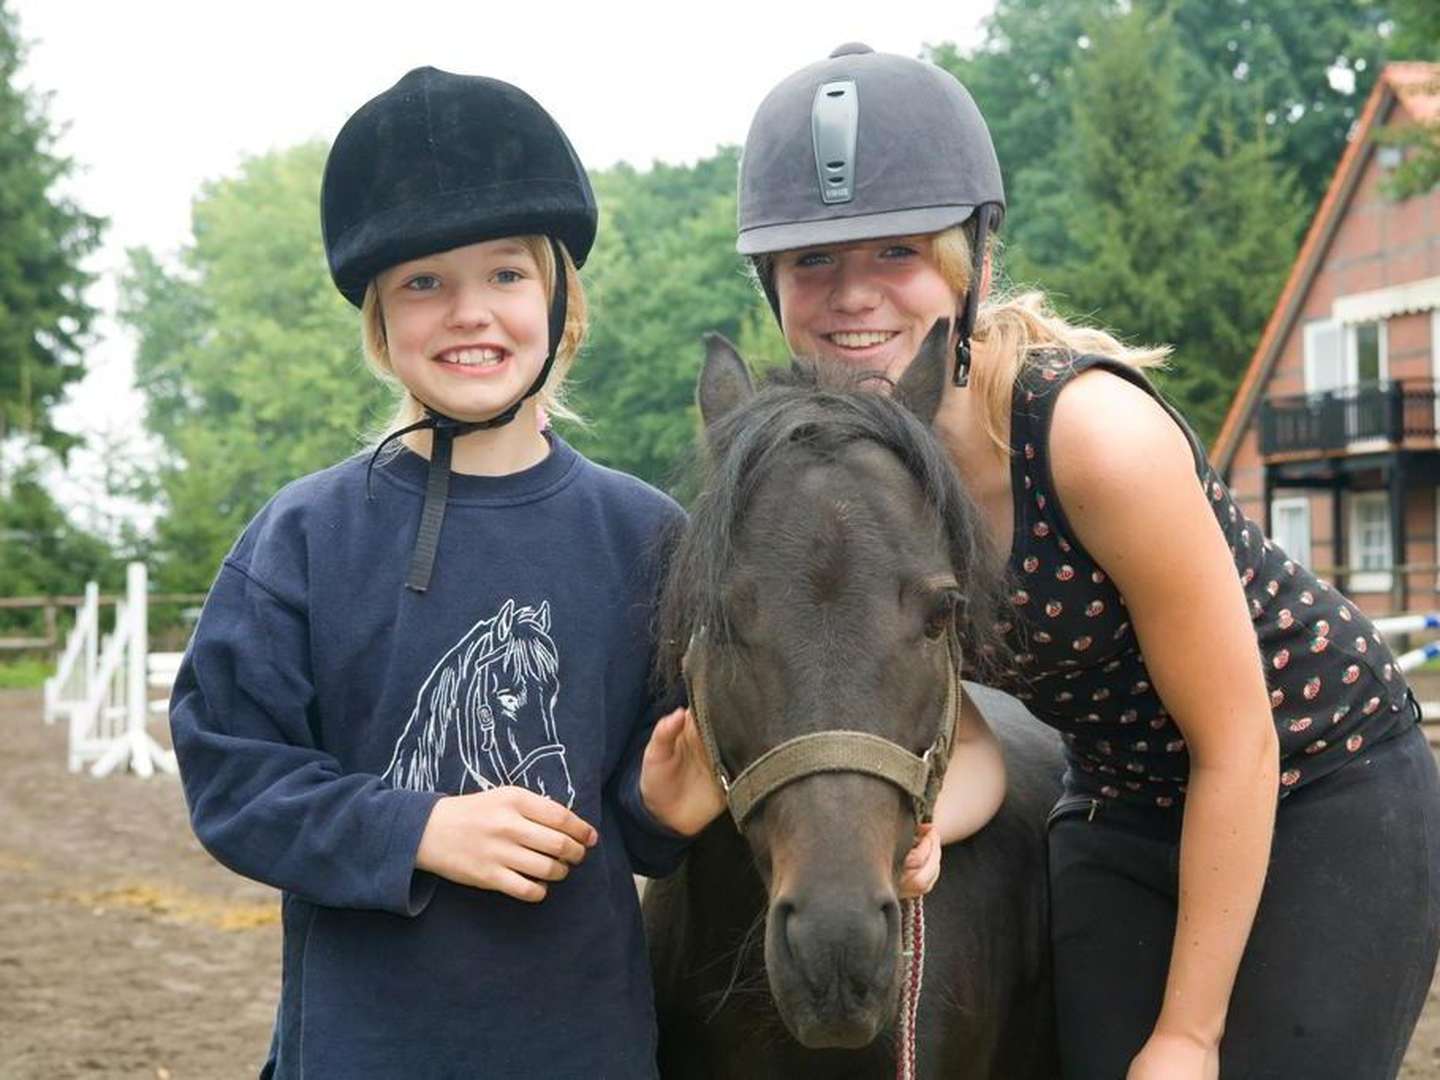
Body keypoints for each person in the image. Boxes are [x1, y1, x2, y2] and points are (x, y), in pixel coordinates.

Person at [735, 43, 1440, 1079]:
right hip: (1120, 798)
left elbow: (1239, 740)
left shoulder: (1088, 434)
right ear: (771, 285)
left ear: (964, 263)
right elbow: (968, 743)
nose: (853, 297)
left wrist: (1191, 1033)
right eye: (814, 263)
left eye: (895, 254)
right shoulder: (869, 489)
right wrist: (917, 839)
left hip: (1311, 778)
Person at [169, 67, 722, 1079]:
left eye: (506, 275)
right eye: (425, 281)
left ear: (560, 298)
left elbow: (642, 821)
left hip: (583, 1047)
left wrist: (660, 804)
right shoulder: (302, 537)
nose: (471, 313)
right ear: (380, 320)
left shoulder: (651, 536)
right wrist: (416, 827)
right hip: (361, 1049)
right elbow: (232, 774)